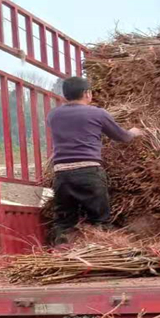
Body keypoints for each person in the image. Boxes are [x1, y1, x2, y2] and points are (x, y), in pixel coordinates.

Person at [46, 77, 141, 244]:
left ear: (65, 95)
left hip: (62, 175)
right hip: (89, 173)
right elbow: (122, 137)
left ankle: (61, 256)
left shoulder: (53, 115)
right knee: (99, 221)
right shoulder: (97, 113)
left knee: (64, 222)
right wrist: (134, 132)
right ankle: (99, 252)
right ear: (86, 93)